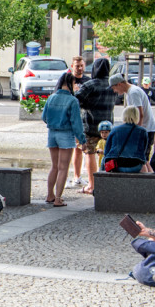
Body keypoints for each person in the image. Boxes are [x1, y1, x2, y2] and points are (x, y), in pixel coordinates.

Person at [42, 73, 86, 207]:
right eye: (74, 83)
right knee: (63, 168)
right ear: (70, 84)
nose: (76, 86)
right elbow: (76, 123)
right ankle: (58, 199)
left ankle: (50, 194)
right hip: (66, 135)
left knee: (54, 166)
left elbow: (44, 117)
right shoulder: (72, 100)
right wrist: (82, 140)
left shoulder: (51, 97)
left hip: (52, 134)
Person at [75, 58, 117, 194]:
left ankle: (91, 185)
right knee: (109, 154)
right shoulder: (112, 85)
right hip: (108, 124)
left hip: (91, 125)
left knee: (90, 153)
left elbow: (76, 100)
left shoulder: (90, 84)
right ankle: (107, 184)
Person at [109, 73, 155, 172]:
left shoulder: (133, 93)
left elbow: (140, 114)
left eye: (114, 88)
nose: (115, 91)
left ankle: (149, 181)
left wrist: (136, 132)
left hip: (145, 129)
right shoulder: (131, 92)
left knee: (142, 159)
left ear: (119, 84)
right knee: (144, 159)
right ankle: (150, 179)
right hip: (146, 128)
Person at [57, 56, 88, 187]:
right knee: (65, 148)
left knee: (78, 148)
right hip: (67, 118)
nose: (80, 68)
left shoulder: (87, 80)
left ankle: (77, 176)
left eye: (81, 65)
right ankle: (63, 177)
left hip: (82, 117)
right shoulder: (66, 79)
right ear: (72, 66)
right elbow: (57, 94)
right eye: (77, 66)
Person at [103, 106, 149, 173]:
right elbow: (144, 150)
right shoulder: (142, 131)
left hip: (116, 165)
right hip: (135, 165)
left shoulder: (115, 130)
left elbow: (107, 150)